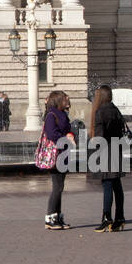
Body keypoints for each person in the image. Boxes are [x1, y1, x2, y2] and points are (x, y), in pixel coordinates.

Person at [89, 85, 127, 232]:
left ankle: (106, 218)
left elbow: (99, 137)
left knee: (107, 185)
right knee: (117, 185)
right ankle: (120, 218)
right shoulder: (115, 110)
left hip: (106, 151)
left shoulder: (100, 112)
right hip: (117, 150)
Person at [43, 90, 76, 230]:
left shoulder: (63, 114)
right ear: (58, 101)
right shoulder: (51, 115)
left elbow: (67, 129)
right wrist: (65, 139)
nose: (67, 102)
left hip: (63, 154)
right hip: (56, 154)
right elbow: (51, 134)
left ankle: (57, 216)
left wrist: (70, 134)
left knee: (60, 186)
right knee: (57, 187)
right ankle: (50, 218)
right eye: (64, 100)